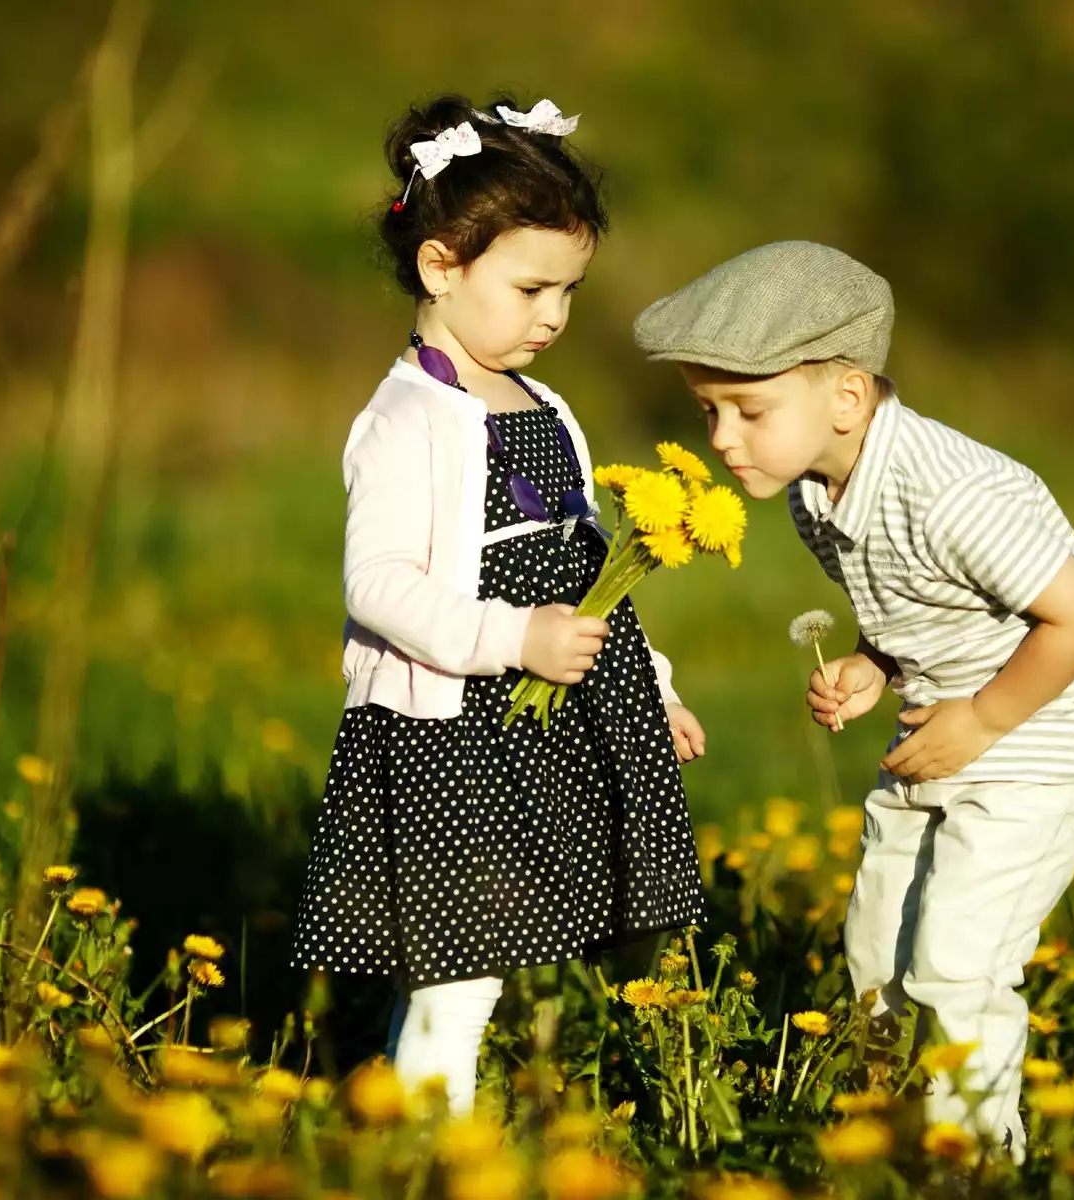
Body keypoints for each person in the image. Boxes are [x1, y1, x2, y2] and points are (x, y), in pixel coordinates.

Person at [633, 241, 1074, 1160]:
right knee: (875, 952)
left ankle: (975, 1162)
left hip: (1036, 741)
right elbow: (921, 604)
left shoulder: (956, 491)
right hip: (938, 729)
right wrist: (874, 664)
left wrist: (981, 721)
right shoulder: (813, 493)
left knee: (956, 960)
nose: (721, 439)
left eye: (749, 410)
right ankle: (894, 1133)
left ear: (847, 397)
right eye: (708, 410)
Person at [291, 94, 707, 1118]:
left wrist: (650, 687)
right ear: (441, 267)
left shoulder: (541, 404)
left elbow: (589, 568)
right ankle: (429, 1150)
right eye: (530, 288)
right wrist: (510, 636)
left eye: (568, 291)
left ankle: (394, 1118)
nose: (553, 317)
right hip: (450, 729)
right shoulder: (407, 416)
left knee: (489, 956)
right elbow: (378, 585)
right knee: (461, 969)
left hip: (546, 721)